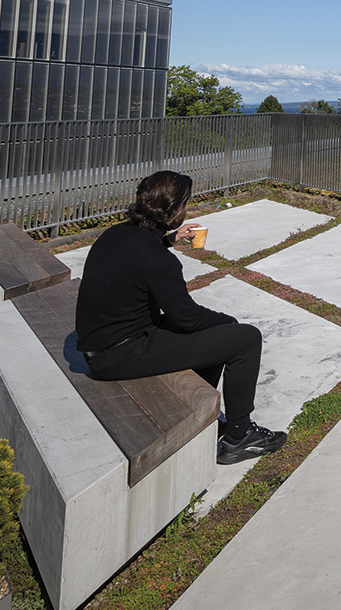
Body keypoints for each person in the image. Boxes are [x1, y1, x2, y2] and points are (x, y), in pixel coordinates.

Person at [75, 170, 286, 465]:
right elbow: (188, 317)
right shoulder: (159, 262)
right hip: (121, 354)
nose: (187, 210)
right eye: (185, 204)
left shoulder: (117, 234)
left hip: (102, 344)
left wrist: (170, 239)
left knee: (216, 337)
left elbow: (140, 257)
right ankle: (239, 436)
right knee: (244, 338)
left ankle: (193, 407)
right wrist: (227, 323)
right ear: (172, 210)